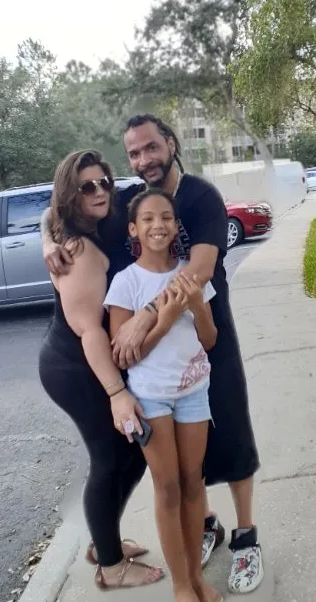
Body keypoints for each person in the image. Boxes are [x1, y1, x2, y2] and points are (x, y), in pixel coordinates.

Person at [42, 116, 264, 595]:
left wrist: (148, 320)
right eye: (135, 153)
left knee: (229, 434)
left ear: (171, 144)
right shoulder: (123, 202)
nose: (144, 160)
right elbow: (64, 204)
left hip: (197, 339)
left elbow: (198, 271)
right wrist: (47, 238)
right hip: (126, 365)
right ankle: (173, 541)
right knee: (152, 468)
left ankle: (245, 535)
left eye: (151, 148)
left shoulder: (200, 196)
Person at [38, 149, 165, 591]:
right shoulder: (79, 251)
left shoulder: (106, 213)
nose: (99, 191)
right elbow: (90, 332)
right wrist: (117, 393)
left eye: (103, 182)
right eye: (86, 187)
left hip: (91, 364)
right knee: (110, 459)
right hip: (76, 369)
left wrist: (44, 237)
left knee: (131, 456)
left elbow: (47, 212)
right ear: (71, 195)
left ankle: (103, 542)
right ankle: (110, 567)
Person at [105, 188, 222, 602]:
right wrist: (168, 313)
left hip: (194, 392)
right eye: (149, 219)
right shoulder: (126, 283)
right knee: (168, 487)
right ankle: (178, 585)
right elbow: (125, 354)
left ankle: (195, 575)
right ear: (134, 229)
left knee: (194, 484)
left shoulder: (190, 275)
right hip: (151, 400)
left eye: (167, 218)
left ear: (176, 227)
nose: (159, 225)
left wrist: (198, 307)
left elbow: (209, 340)